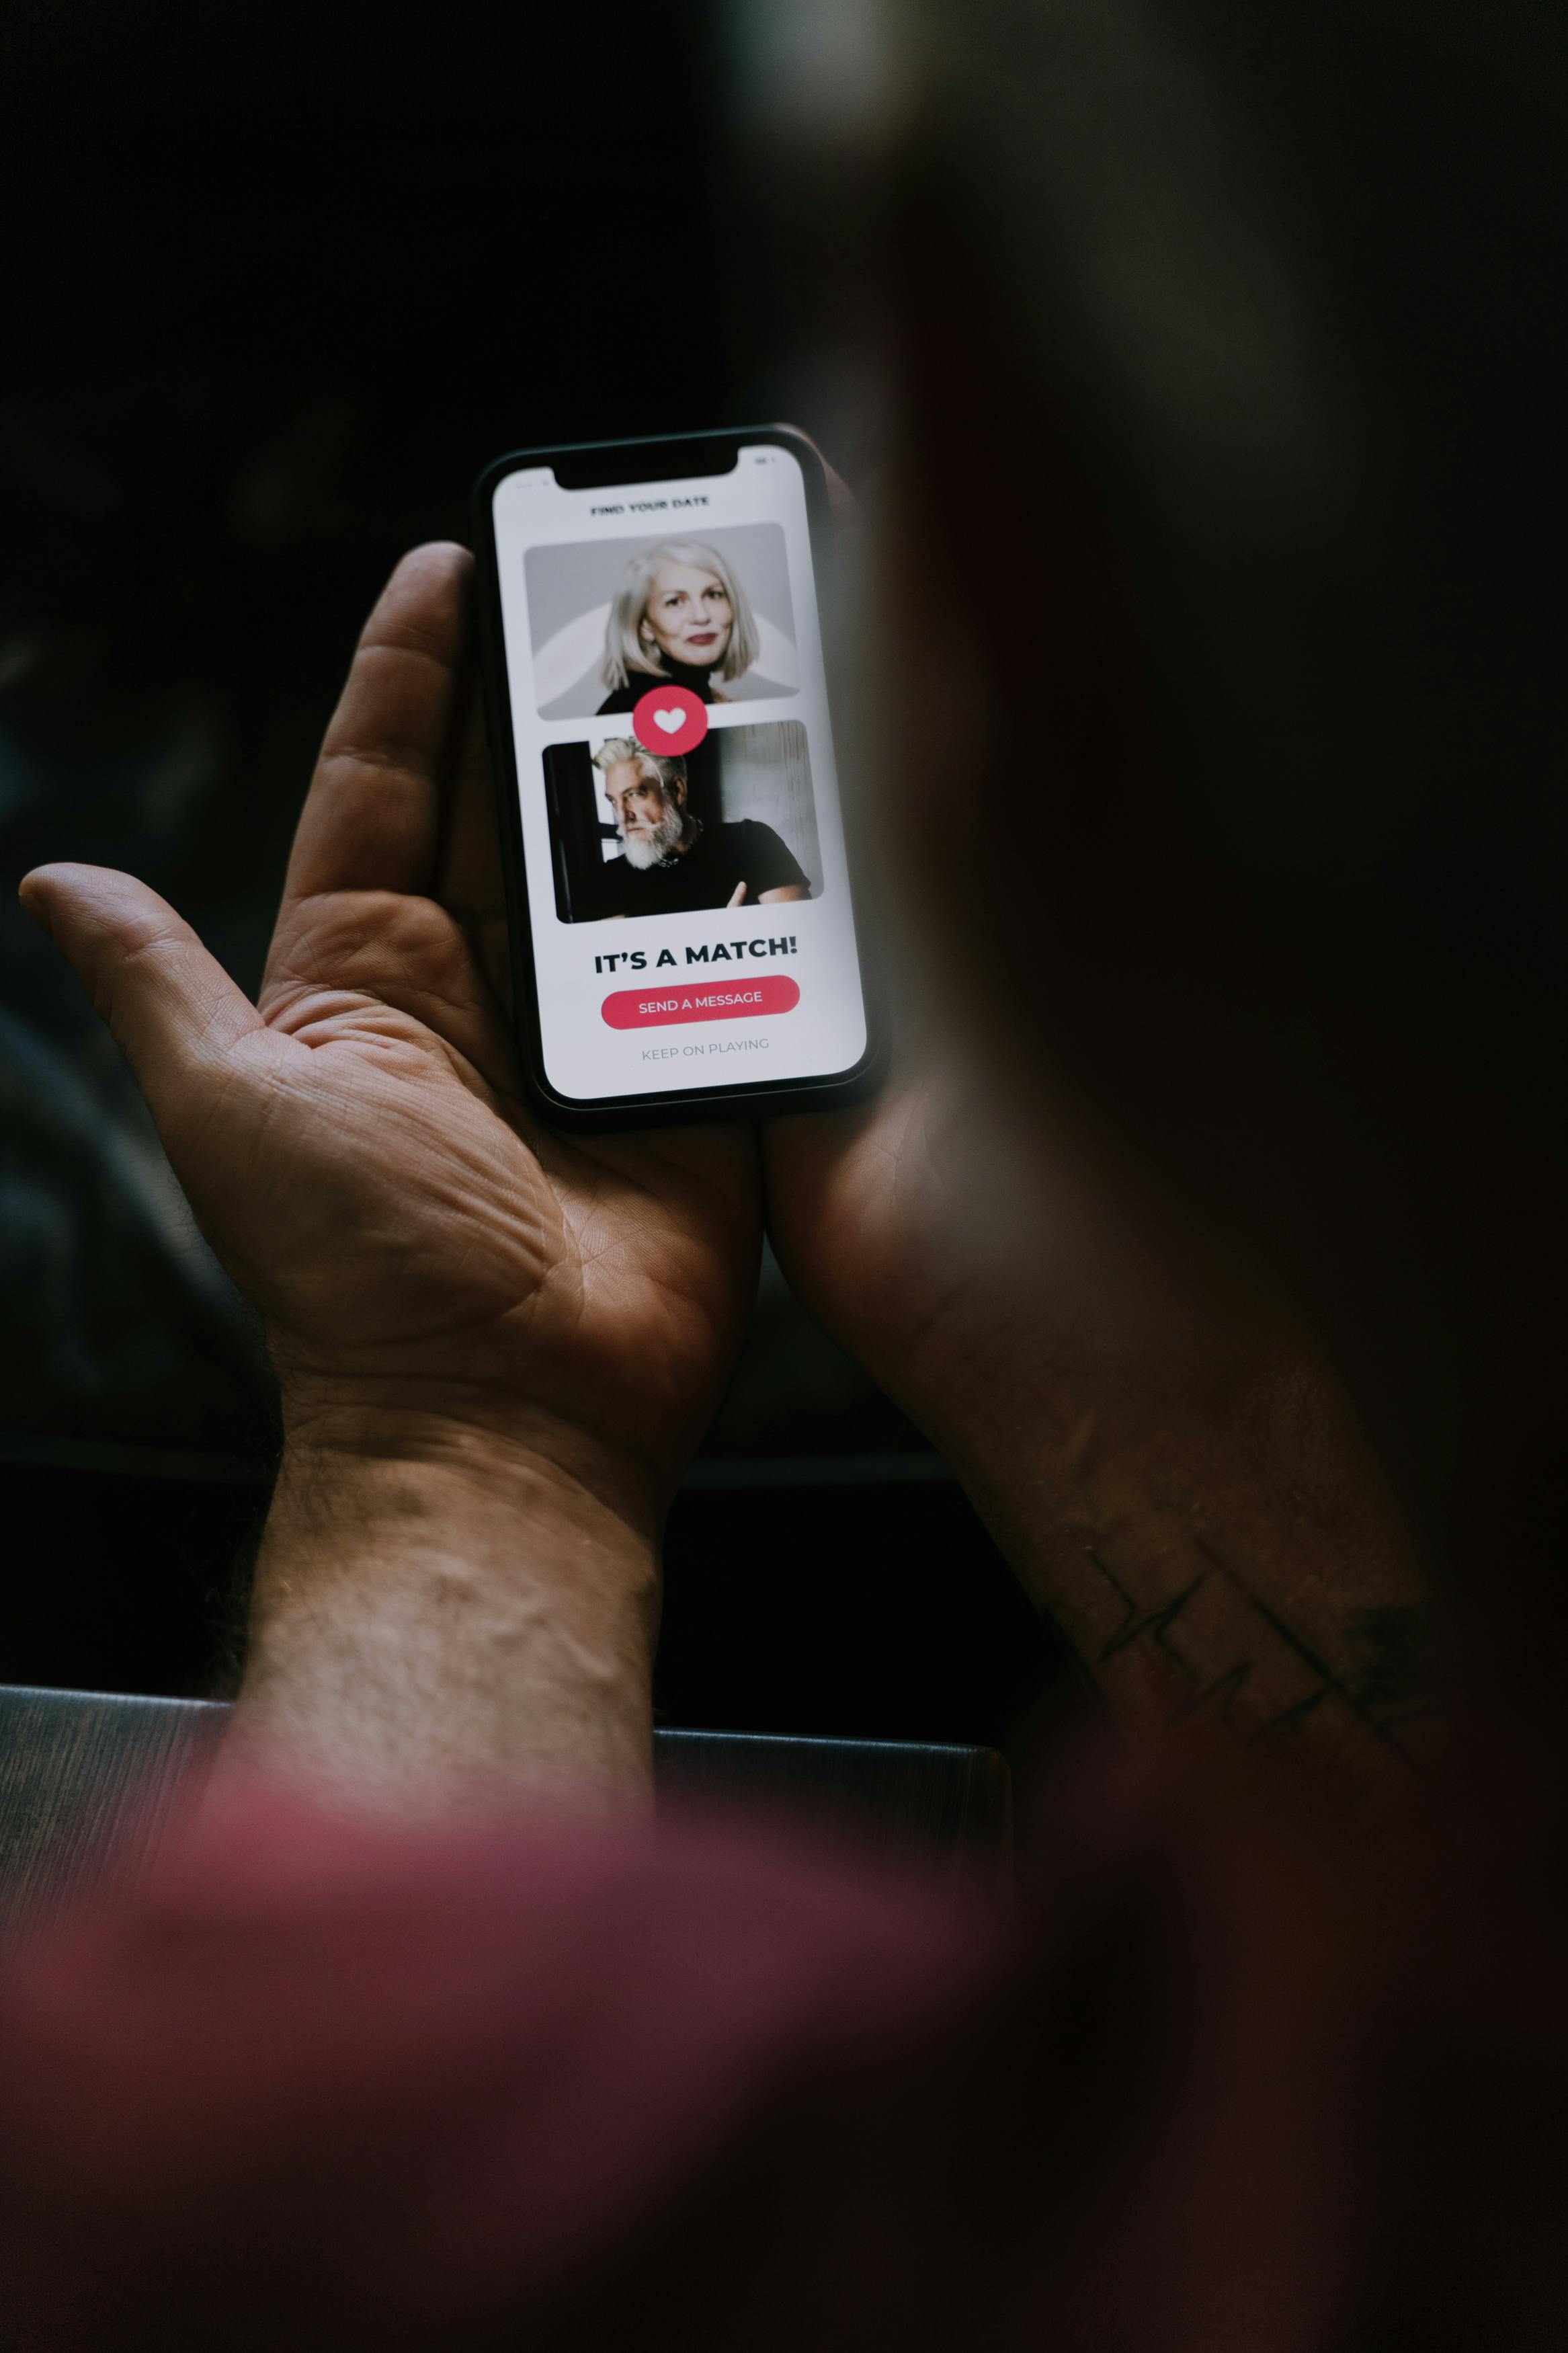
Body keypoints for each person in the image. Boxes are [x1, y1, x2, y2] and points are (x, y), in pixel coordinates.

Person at [590, 735, 809, 914]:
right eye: (613, 801)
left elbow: (801, 935)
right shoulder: (611, 879)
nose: (622, 816)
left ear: (677, 791)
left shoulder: (751, 841)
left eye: (635, 795)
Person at [595, 539, 764, 713]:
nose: (701, 616)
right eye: (674, 602)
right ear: (645, 626)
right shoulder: (649, 705)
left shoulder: (693, 695)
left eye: (713, 595)